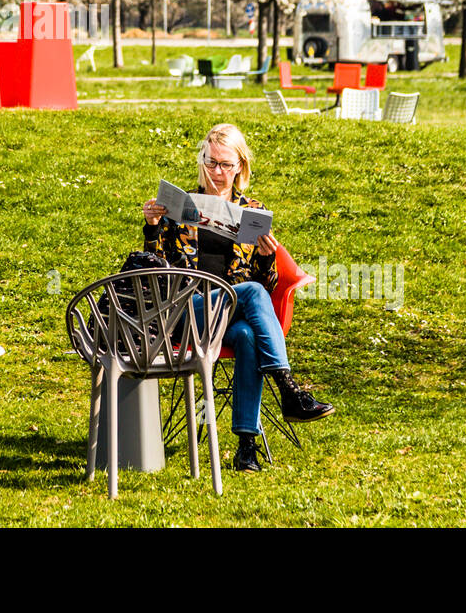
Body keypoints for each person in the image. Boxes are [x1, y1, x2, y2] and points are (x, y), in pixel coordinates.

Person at [141, 122, 333, 473]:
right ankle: (287, 387)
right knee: (252, 294)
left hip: (227, 318)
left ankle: (246, 446)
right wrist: (152, 227)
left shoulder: (252, 210)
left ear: (240, 166)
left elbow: (266, 281)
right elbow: (154, 268)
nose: (217, 172)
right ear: (202, 161)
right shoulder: (180, 206)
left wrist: (264, 254)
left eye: (226, 165)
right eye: (212, 163)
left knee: (247, 335)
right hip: (188, 312)